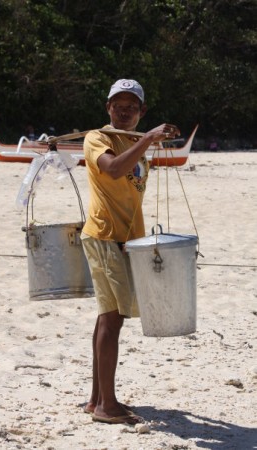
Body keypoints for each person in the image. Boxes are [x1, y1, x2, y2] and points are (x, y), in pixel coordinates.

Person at [81, 79, 180, 424]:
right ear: (108, 107)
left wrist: (147, 140)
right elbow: (113, 168)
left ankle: (97, 399)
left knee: (107, 315)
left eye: (131, 106)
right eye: (118, 105)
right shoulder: (98, 138)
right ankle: (107, 406)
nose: (124, 111)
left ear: (142, 111)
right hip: (106, 235)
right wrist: (150, 139)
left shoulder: (136, 141)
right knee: (113, 318)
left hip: (125, 239)